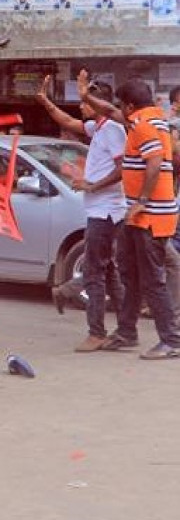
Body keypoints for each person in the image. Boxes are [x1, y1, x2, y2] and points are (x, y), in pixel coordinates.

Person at [80, 74, 180, 358]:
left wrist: (143, 201)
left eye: (121, 105)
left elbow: (156, 162)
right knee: (129, 274)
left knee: (151, 280)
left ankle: (171, 340)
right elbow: (109, 111)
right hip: (137, 216)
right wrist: (86, 97)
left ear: (130, 105)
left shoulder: (145, 126)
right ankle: (126, 332)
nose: (117, 110)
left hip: (150, 216)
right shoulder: (143, 119)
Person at [37, 75, 133, 351]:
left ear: (99, 103)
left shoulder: (113, 129)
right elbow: (68, 123)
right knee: (108, 269)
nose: (81, 107)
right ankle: (126, 329)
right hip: (103, 209)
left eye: (85, 102)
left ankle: (97, 331)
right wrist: (45, 102)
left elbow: (121, 169)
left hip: (106, 211)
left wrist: (92, 185)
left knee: (95, 272)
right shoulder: (99, 127)